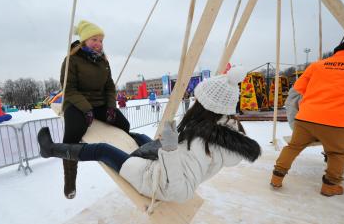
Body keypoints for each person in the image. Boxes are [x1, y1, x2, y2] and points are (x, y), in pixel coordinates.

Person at [39, 67, 261, 203]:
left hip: (156, 182)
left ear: (206, 107)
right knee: (140, 138)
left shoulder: (204, 142)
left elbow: (180, 191)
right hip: (163, 167)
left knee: (102, 149)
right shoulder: (219, 128)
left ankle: (50, 150)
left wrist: (171, 150)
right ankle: (137, 143)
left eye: (197, 100)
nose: (193, 103)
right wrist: (169, 147)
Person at [59, 20, 147, 199]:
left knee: (124, 124)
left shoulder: (103, 61)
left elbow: (109, 87)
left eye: (101, 40)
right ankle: (69, 180)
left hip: (99, 103)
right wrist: (85, 109)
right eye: (94, 40)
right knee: (72, 136)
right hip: (77, 102)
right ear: (84, 41)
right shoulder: (71, 60)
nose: (99, 44)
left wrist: (110, 107)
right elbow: (69, 89)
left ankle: (132, 159)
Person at [270, 37, 344, 196]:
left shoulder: (317, 65)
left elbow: (299, 88)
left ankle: (276, 178)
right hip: (338, 122)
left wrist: (317, 99)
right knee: (337, 154)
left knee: (293, 147)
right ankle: (330, 186)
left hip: (306, 117)